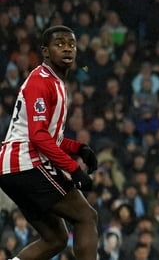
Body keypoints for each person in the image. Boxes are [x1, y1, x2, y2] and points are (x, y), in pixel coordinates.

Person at [0, 25, 99, 260]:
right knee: (86, 216)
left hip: (12, 167)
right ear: (45, 51)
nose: (67, 49)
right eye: (60, 44)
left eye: (71, 44)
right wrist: (73, 168)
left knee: (56, 239)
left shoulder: (54, 82)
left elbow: (48, 135)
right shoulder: (41, 81)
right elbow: (38, 137)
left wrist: (79, 149)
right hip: (25, 163)